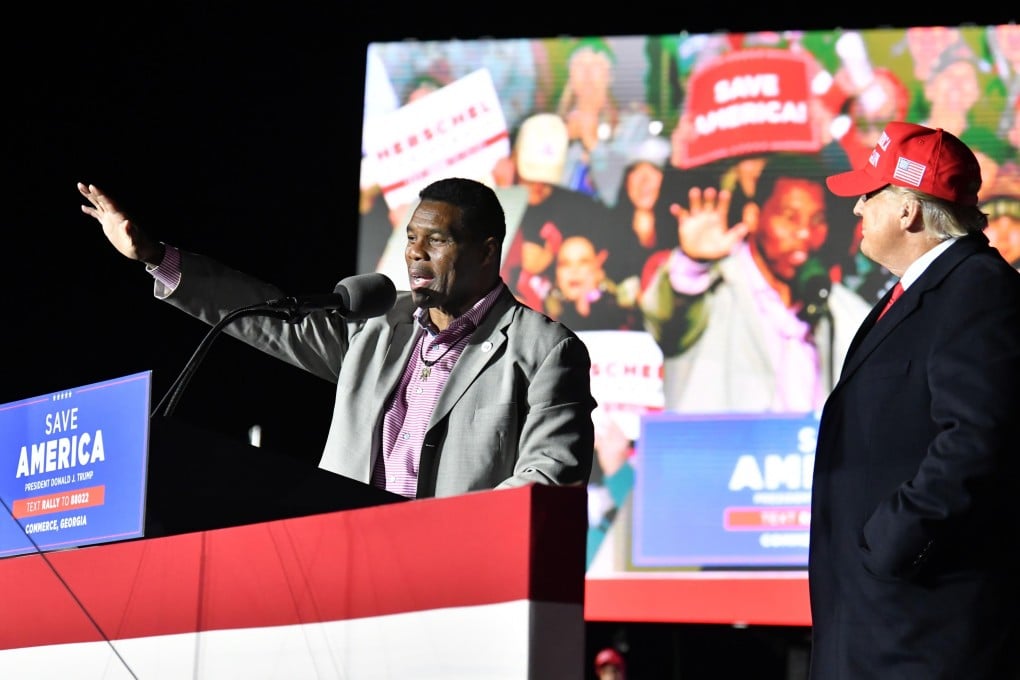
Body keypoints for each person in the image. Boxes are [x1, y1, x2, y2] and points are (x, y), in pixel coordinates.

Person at [78, 176, 597, 500]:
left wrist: (448, 536)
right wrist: (155, 258)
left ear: (487, 253)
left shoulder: (544, 350)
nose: (415, 253)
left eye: (436, 241)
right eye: (411, 238)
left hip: (456, 581)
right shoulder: (379, 328)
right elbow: (273, 322)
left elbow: (548, 479)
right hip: (344, 566)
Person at [809, 121, 1020, 678]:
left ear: (908, 210)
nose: (856, 209)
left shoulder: (978, 288)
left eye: (868, 194)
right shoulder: (920, 292)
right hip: (877, 624)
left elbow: (979, 439)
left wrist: (894, 542)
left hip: (923, 631)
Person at [640, 154, 872, 414]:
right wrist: (693, 261)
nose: (805, 233)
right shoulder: (710, 287)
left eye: (817, 220)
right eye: (790, 217)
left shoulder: (840, 308)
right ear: (753, 216)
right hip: (714, 452)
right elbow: (666, 318)